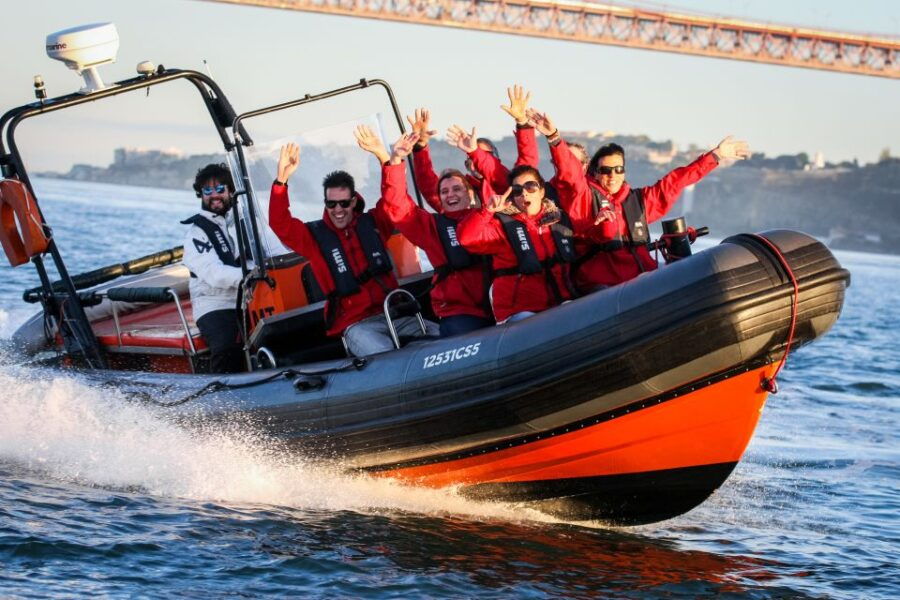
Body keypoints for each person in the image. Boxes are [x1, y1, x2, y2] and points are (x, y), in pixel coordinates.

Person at [527, 108, 750, 291]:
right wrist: (555, 138)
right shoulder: (583, 197)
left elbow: (676, 181)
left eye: (618, 169)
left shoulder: (639, 201)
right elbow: (570, 173)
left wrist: (715, 156)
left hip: (640, 283)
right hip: (601, 290)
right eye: (605, 170)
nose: (612, 175)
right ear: (594, 173)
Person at [267, 141, 439, 356]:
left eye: (343, 203)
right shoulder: (313, 238)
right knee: (385, 357)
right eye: (331, 204)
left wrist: (386, 159)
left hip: (395, 315)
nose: (338, 210)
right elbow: (280, 224)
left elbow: (394, 200)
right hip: (358, 325)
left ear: (354, 201)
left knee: (440, 337)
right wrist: (281, 180)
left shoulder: (374, 223)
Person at [354, 125, 494, 337]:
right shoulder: (431, 227)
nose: (450, 195)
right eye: (444, 191)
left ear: (470, 193)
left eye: (457, 189)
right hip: (461, 312)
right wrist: (393, 161)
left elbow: (498, 181)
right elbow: (397, 205)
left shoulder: (489, 215)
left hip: (501, 302)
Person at [457, 165, 577, 324]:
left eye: (531, 186)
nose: (524, 193)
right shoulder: (502, 226)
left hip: (559, 303)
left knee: (576, 313)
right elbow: (467, 238)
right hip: (518, 312)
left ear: (542, 191)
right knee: (536, 326)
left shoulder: (559, 220)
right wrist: (487, 211)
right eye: (517, 190)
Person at [181, 163, 245, 373]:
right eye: (207, 191)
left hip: (248, 300)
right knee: (227, 343)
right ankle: (220, 397)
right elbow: (213, 273)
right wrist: (248, 276)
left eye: (220, 189)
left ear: (231, 192)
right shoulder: (196, 234)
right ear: (200, 195)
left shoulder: (242, 222)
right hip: (214, 305)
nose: (214, 195)